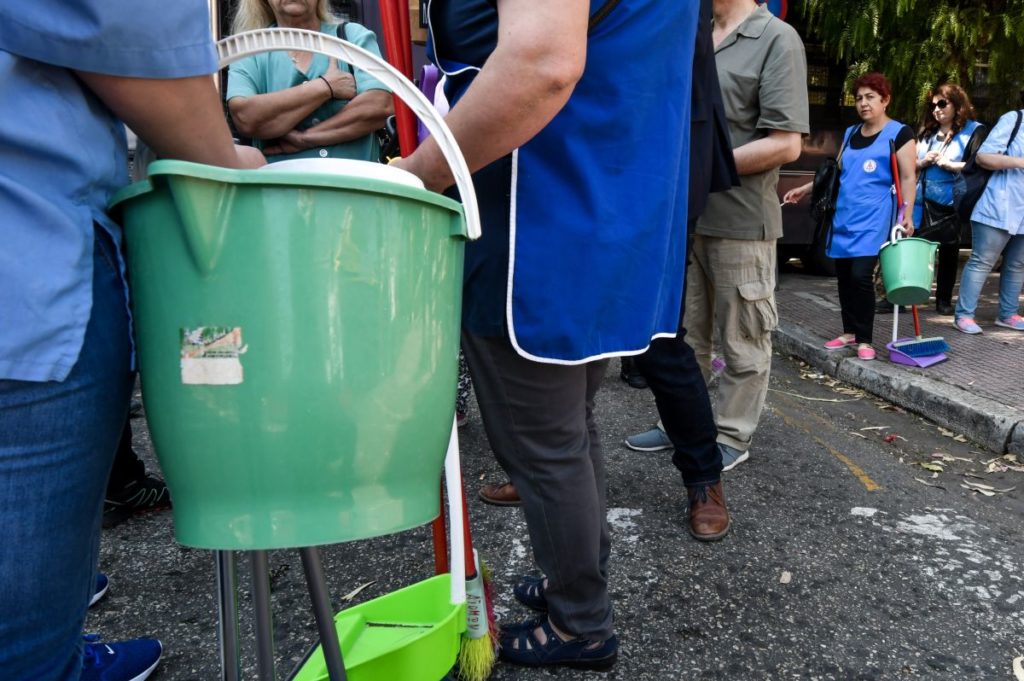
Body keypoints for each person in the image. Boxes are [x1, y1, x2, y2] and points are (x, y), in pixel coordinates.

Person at [395, 0, 701, 669]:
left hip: (541, 212)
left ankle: (580, 618)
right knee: (568, 425)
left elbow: (542, 64)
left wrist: (415, 173)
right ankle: (577, 575)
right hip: (600, 199)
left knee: (539, 439)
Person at [0, 1, 265, 679]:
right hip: (24, 258)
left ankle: (59, 638)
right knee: (19, 643)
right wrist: (222, 158)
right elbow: (122, 27)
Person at [629, 0, 808, 472]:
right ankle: (681, 426)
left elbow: (787, 142)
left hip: (742, 219)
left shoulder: (776, 38)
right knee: (685, 336)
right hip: (683, 217)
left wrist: (700, 166)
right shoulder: (692, 29)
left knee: (743, 337)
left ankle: (731, 433)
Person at [784, 73, 917, 359]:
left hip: (875, 217)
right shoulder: (851, 133)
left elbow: (908, 177)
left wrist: (906, 214)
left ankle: (865, 340)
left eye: (870, 97)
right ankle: (849, 332)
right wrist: (806, 189)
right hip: (844, 214)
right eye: (859, 98)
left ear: (885, 100)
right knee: (844, 276)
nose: (863, 103)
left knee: (860, 275)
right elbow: (838, 172)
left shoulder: (900, 134)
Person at [226, 0, 393, 162]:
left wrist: (306, 139)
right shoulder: (248, 50)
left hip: (356, 187)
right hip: (282, 188)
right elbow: (245, 117)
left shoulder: (352, 36)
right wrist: (325, 87)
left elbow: (380, 105)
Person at [912, 84, 987, 315]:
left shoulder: (974, 131)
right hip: (919, 201)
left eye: (942, 103)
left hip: (949, 203)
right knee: (912, 249)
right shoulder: (927, 131)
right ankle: (907, 296)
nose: (936, 109)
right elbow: (909, 163)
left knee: (948, 253)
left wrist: (950, 165)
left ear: (957, 104)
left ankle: (943, 300)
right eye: (933, 105)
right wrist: (922, 162)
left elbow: (981, 165)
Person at [953, 108, 1024, 333]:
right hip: (998, 203)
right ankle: (964, 315)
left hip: (1022, 209)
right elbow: (984, 157)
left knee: (1017, 264)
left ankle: (1008, 315)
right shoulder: (1014, 118)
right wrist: (1021, 161)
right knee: (983, 260)